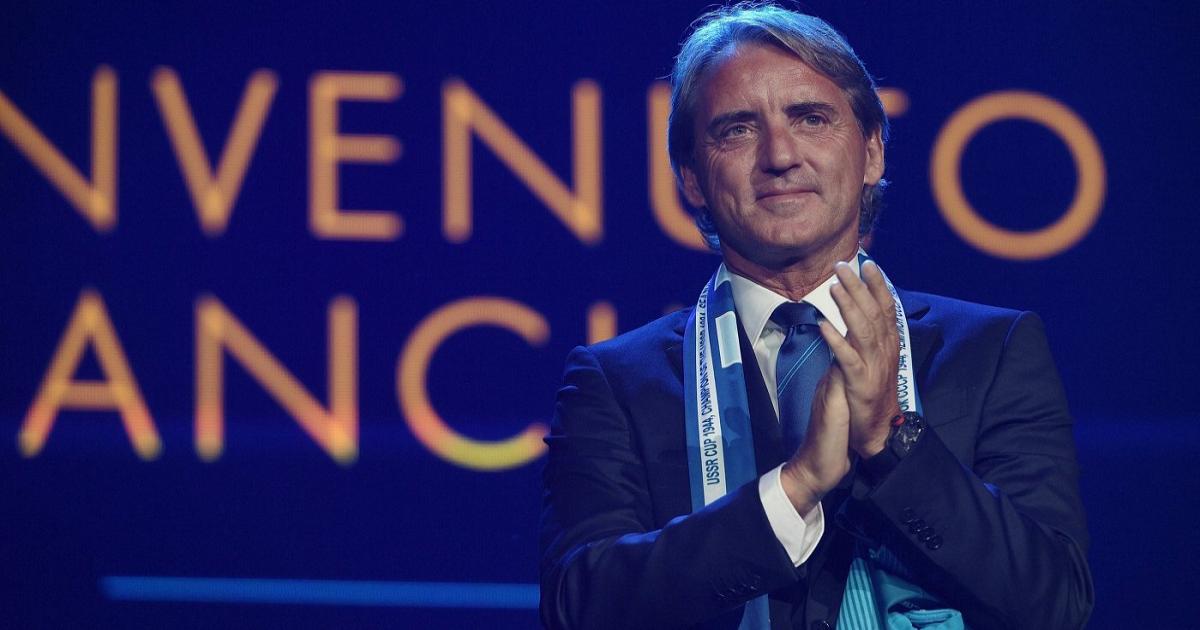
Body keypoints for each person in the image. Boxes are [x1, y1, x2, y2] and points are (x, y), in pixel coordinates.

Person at [538, 4, 1093, 629]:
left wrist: (890, 440)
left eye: (811, 118)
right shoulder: (615, 383)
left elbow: (1055, 603)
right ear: (691, 178)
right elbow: (577, 610)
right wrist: (796, 487)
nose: (780, 155)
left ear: (873, 151)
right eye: (737, 130)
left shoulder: (992, 350)